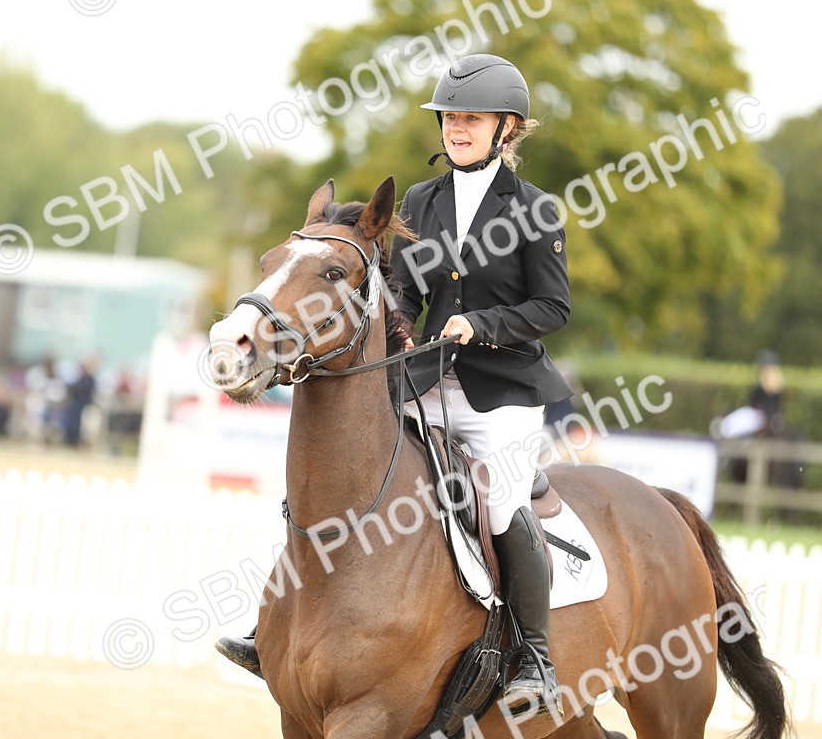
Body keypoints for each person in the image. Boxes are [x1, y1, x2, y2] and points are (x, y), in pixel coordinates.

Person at [217, 54, 573, 717]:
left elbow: (553, 308)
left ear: (508, 128)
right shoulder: (420, 200)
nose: (456, 128)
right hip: (424, 379)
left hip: (504, 391)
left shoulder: (534, 210)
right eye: (450, 118)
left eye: (471, 118)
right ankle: (280, 630)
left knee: (497, 500)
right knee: (349, 477)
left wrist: (481, 323)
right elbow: (403, 287)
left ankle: (536, 659)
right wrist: (402, 321)